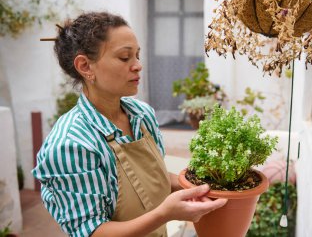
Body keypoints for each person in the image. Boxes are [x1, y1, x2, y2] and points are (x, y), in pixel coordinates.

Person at [32, 12, 227, 237]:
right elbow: (92, 232)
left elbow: (157, 178)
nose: (138, 66)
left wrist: (201, 186)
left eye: (137, 55)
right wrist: (165, 214)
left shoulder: (142, 114)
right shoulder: (71, 144)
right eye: (125, 58)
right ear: (85, 66)